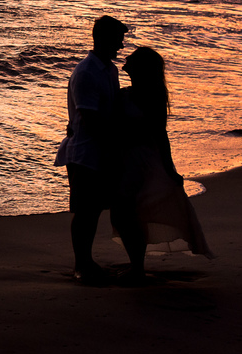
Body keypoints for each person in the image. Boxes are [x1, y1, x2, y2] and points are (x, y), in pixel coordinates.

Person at [110, 47, 214, 285]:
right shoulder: (123, 92)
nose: (126, 60)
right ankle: (136, 266)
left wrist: (170, 169)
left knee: (128, 212)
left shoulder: (152, 96)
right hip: (123, 160)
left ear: (141, 67)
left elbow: (160, 135)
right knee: (125, 213)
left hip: (141, 161)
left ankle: (137, 268)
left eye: (132, 59)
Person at [55, 15, 128, 285]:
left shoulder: (109, 70)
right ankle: (81, 264)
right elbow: (89, 118)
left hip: (99, 150)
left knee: (94, 209)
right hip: (85, 152)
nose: (121, 46)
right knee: (85, 211)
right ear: (103, 39)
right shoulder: (86, 73)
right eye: (118, 40)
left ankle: (86, 261)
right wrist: (114, 146)